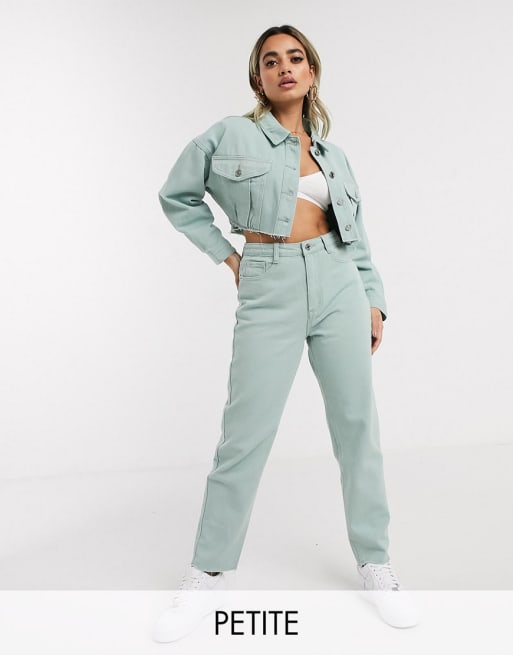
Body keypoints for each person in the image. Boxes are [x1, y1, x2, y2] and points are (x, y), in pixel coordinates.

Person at [152, 25, 419, 642]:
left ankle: (375, 563)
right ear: (258, 78)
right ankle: (208, 571)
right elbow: (177, 196)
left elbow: (356, 235)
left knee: (357, 428)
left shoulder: (334, 155)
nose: (284, 68)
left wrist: (373, 300)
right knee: (244, 434)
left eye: (295, 58)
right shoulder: (230, 134)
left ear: (312, 72)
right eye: (271, 61)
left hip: (339, 284)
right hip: (267, 284)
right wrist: (228, 256)